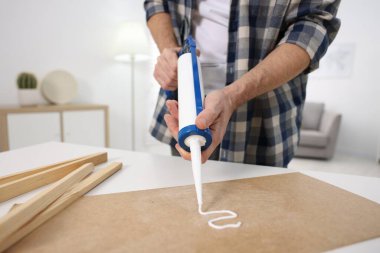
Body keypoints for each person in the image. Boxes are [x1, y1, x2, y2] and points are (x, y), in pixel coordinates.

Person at [144, 0, 341, 167]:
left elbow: (313, 26)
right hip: (182, 112)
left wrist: (232, 96)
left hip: (263, 120)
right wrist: (169, 50)